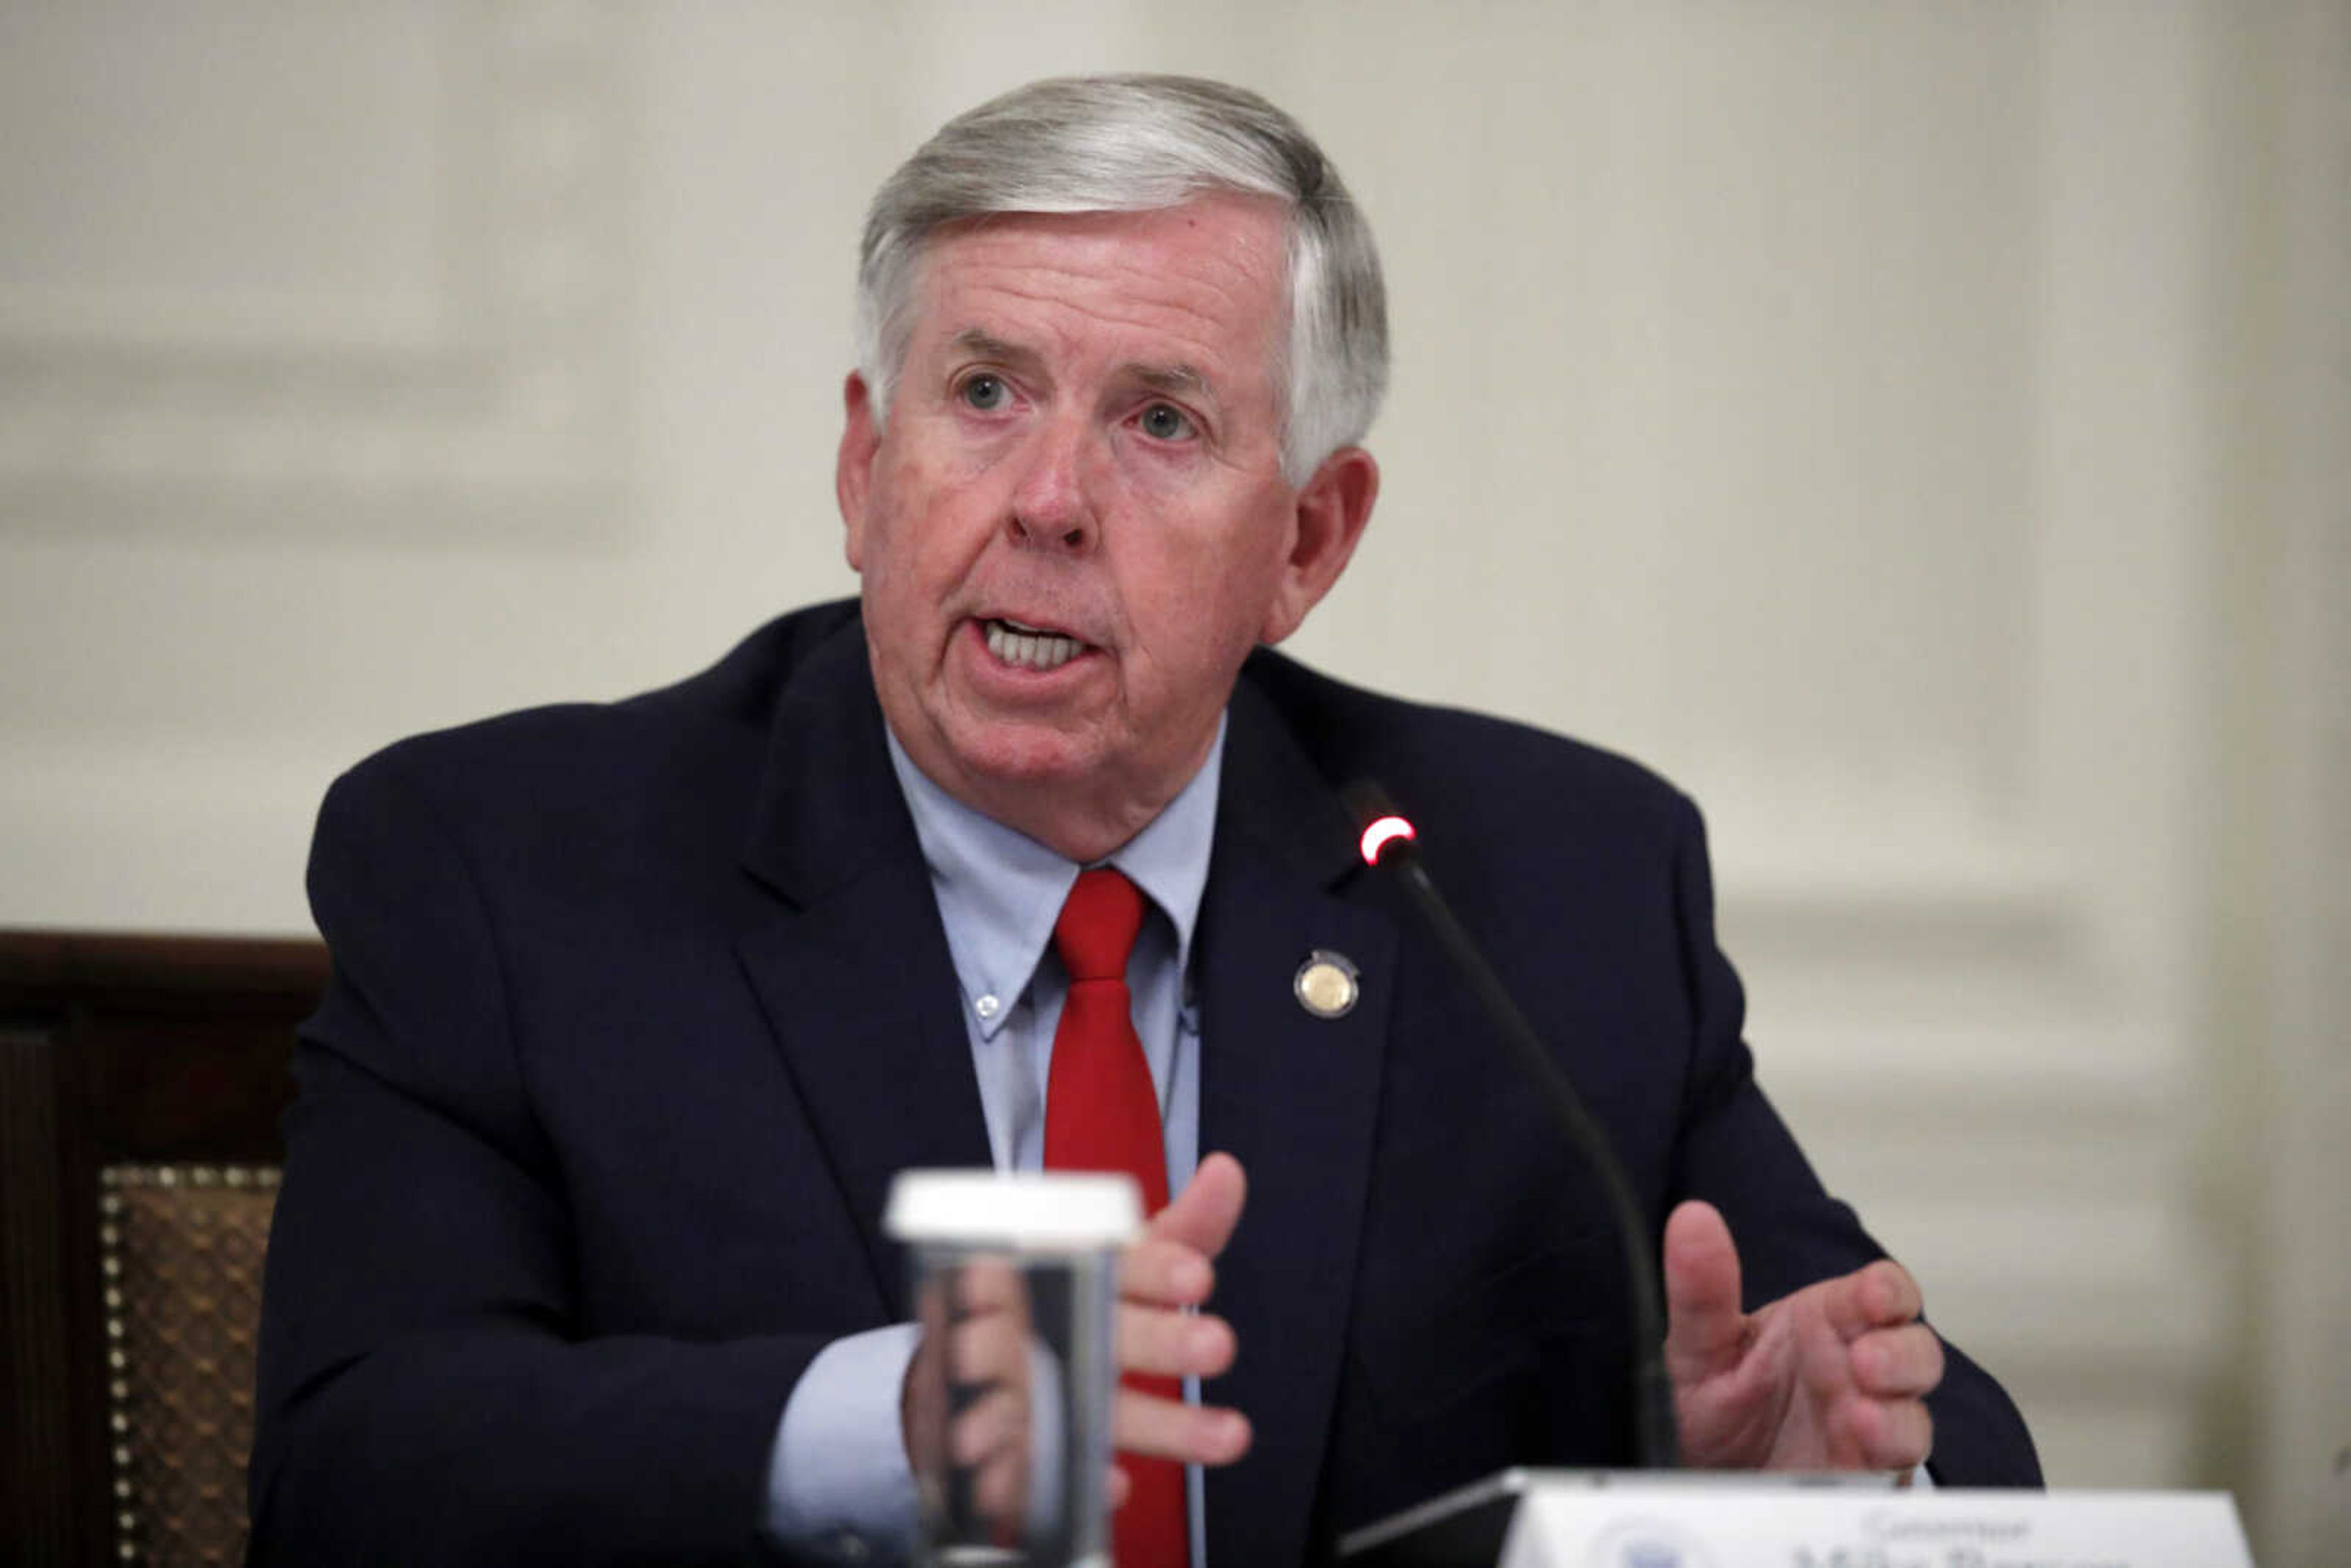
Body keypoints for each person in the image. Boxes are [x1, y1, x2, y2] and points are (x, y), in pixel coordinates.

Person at [249, 73, 2038, 1568]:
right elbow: (358, 1472)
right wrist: (901, 1417)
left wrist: (1811, 1498)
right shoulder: (510, 865)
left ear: (1310, 543)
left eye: (1160, 420)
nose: (1047, 501)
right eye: (984, 393)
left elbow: (1899, 1402)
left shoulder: (1547, 890)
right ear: (866, 467)